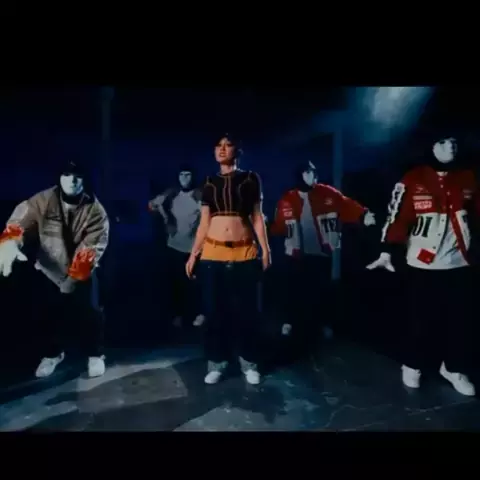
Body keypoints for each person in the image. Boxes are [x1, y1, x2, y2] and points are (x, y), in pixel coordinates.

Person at [367, 134, 477, 396]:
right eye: (443, 142)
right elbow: (396, 217)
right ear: (431, 145)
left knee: (459, 321)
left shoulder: (468, 178)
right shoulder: (413, 178)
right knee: (421, 319)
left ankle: (453, 368)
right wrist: (386, 250)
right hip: (422, 263)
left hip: (458, 262)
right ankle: (413, 364)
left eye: (454, 142)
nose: (450, 146)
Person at [0, 161, 109, 378]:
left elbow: (92, 246)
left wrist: (71, 280)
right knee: (49, 313)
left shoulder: (95, 210)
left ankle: (95, 354)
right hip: (49, 269)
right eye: (67, 175)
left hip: (81, 271)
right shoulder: (42, 201)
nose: (72, 180)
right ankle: (53, 354)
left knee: (90, 312)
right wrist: (9, 243)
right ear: (60, 178)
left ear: (84, 180)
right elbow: (19, 221)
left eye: (77, 176)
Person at [185, 134, 271, 385]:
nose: (222, 149)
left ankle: (249, 362)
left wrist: (266, 249)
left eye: (228, 145)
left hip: (244, 253)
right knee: (214, 312)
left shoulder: (250, 178)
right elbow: (204, 223)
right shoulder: (209, 182)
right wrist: (193, 254)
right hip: (213, 253)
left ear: (237, 151)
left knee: (247, 312)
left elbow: (257, 216)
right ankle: (217, 362)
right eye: (218, 145)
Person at [270, 161, 376, 358]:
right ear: (300, 175)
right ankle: (290, 323)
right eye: (308, 172)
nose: (312, 175)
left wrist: (364, 215)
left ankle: (319, 326)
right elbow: (279, 226)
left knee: (319, 292)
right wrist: (269, 227)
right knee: (294, 291)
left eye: (313, 172)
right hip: (295, 254)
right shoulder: (287, 198)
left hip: (320, 254)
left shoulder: (327, 193)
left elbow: (347, 205)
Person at [149, 165, 206, 328]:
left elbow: (209, 215)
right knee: (175, 283)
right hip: (174, 246)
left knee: (194, 283)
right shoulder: (172, 193)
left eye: (188, 175)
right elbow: (151, 205)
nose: (185, 178)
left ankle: (197, 313)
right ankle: (178, 315)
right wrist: (163, 215)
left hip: (193, 249)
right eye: (182, 175)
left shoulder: (199, 195)